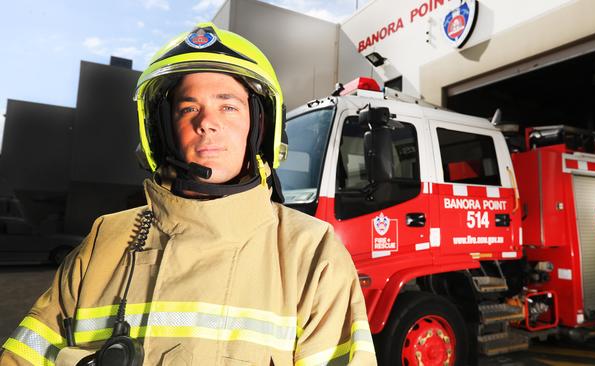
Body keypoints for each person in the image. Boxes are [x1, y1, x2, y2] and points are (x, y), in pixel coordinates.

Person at [0, 22, 377, 366]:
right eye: (188, 108)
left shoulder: (311, 252)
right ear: (163, 131)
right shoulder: (103, 242)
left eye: (227, 106)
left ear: (259, 128)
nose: (206, 122)